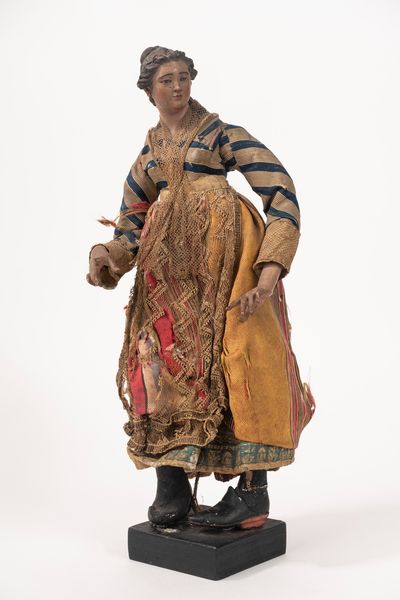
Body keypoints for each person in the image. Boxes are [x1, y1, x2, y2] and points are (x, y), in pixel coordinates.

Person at [87, 46, 315, 530]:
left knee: (240, 363)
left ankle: (252, 492)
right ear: (148, 91)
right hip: (168, 277)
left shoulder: (220, 134)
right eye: (166, 80)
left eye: (183, 77)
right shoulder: (149, 155)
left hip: (230, 269)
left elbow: (280, 190)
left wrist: (268, 271)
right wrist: (108, 256)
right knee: (159, 364)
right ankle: (171, 483)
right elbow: (131, 222)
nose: (177, 86)